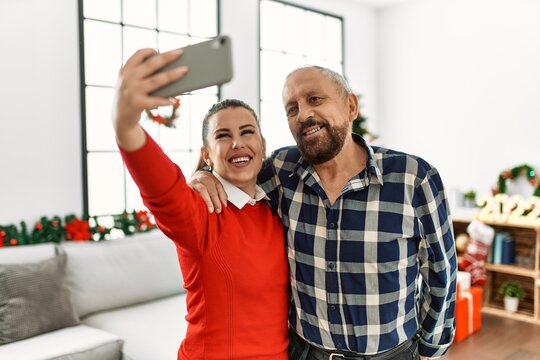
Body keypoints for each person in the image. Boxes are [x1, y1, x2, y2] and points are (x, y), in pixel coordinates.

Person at [189, 65, 457, 360]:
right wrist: (203, 175)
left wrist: (430, 350)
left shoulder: (413, 178)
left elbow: (440, 270)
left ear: (350, 106)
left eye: (315, 99)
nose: (303, 114)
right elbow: (236, 168)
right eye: (292, 108)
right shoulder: (280, 171)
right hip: (306, 353)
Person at [112, 48, 290, 359]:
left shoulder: (276, 206)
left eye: (247, 132)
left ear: (262, 146)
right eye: (223, 135)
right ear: (207, 154)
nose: (237, 142)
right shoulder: (201, 213)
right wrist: (125, 124)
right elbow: (163, 189)